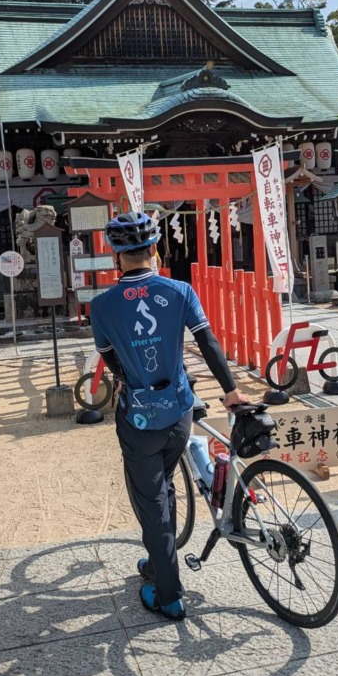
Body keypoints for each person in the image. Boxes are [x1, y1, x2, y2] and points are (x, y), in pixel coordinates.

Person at [89, 211, 249, 621]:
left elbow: (110, 358)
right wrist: (231, 391)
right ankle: (162, 562)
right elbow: (207, 341)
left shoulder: (101, 306)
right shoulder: (180, 291)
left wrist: (128, 378)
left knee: (151, 500)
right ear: (154, 249)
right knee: (165, 484)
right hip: (178, 412)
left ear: (115, 255)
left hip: (139, 417)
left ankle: (169, 595)